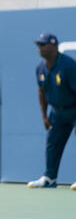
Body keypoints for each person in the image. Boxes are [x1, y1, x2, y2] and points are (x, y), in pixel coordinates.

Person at [27, 33, 76, 190]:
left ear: (54, 46)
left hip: (74, 109)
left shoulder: (69, 66)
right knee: (52, 144)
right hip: (57, 113)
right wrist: (44, 116)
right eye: (39, 45)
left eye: (44, 45)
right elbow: (41, 91)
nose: (40, 48)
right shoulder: (40, 68)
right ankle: (50, 178)